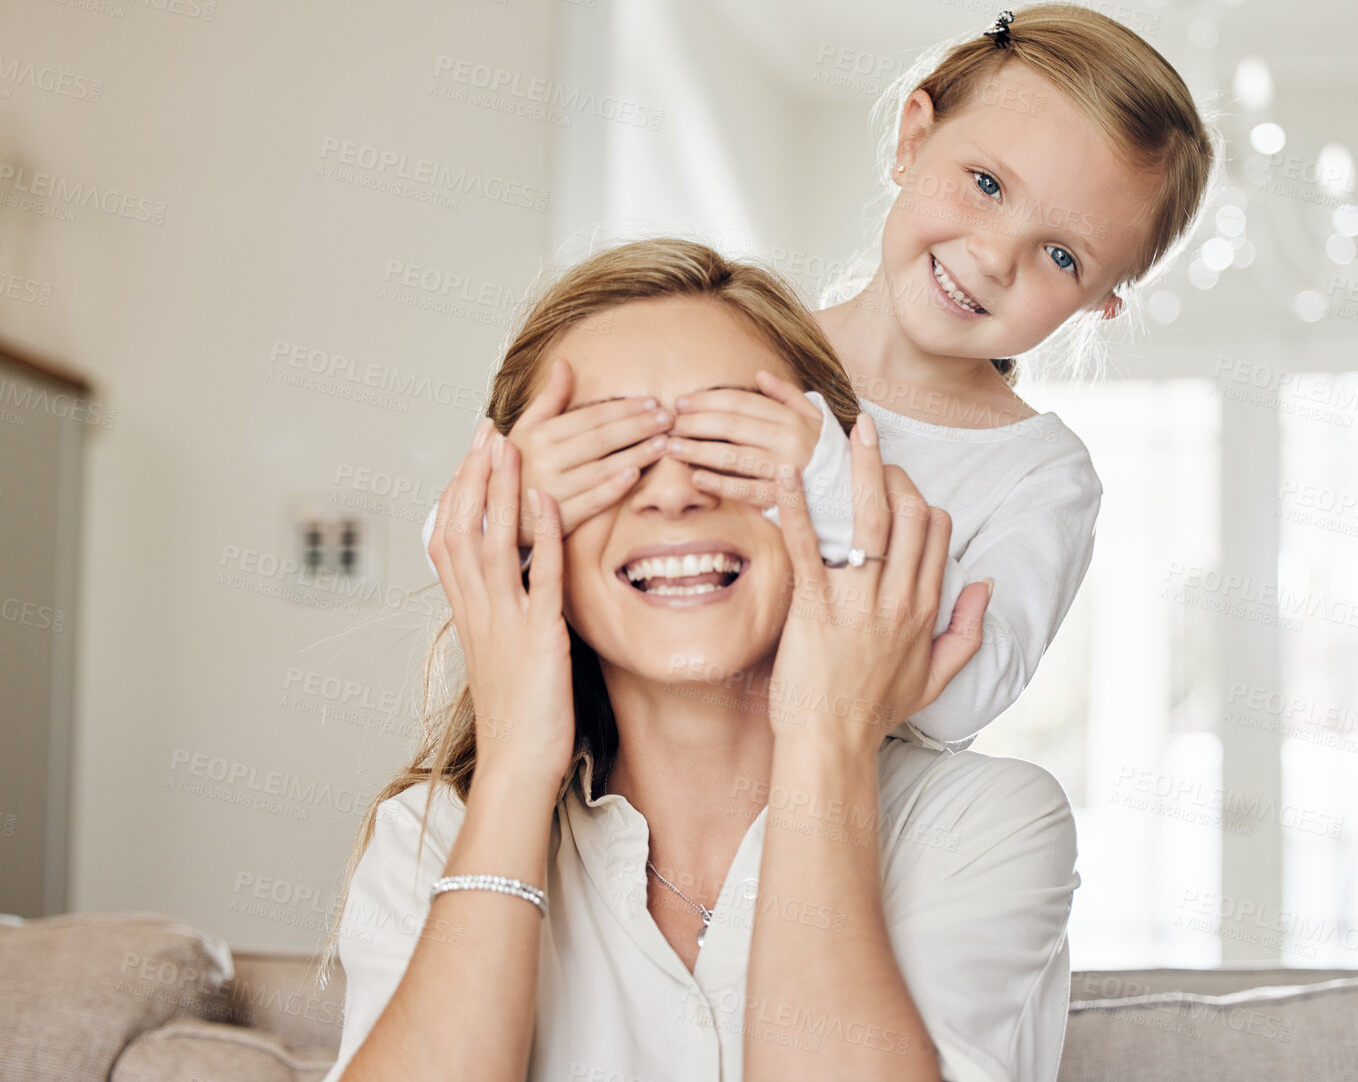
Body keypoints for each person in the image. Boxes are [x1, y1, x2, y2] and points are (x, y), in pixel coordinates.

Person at [320, 239, 1080, 1082]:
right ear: (524, 537)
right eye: (608, 455)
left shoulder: (981, 828)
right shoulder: (433, 840)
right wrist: (511, 758)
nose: (675, 490)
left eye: (730, 443)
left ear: (838, 502)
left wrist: (827, 738)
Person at [419, 3, 1217, 750]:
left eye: (1060, 255)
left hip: (851, 847)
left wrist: (830, 484)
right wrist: (523, 498)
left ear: (1098, 303)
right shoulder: (735, 342)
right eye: (985, 184)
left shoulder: (1040, 473)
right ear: (912, 136)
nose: (993, 256)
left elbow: (963, 693)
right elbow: (452, 542)